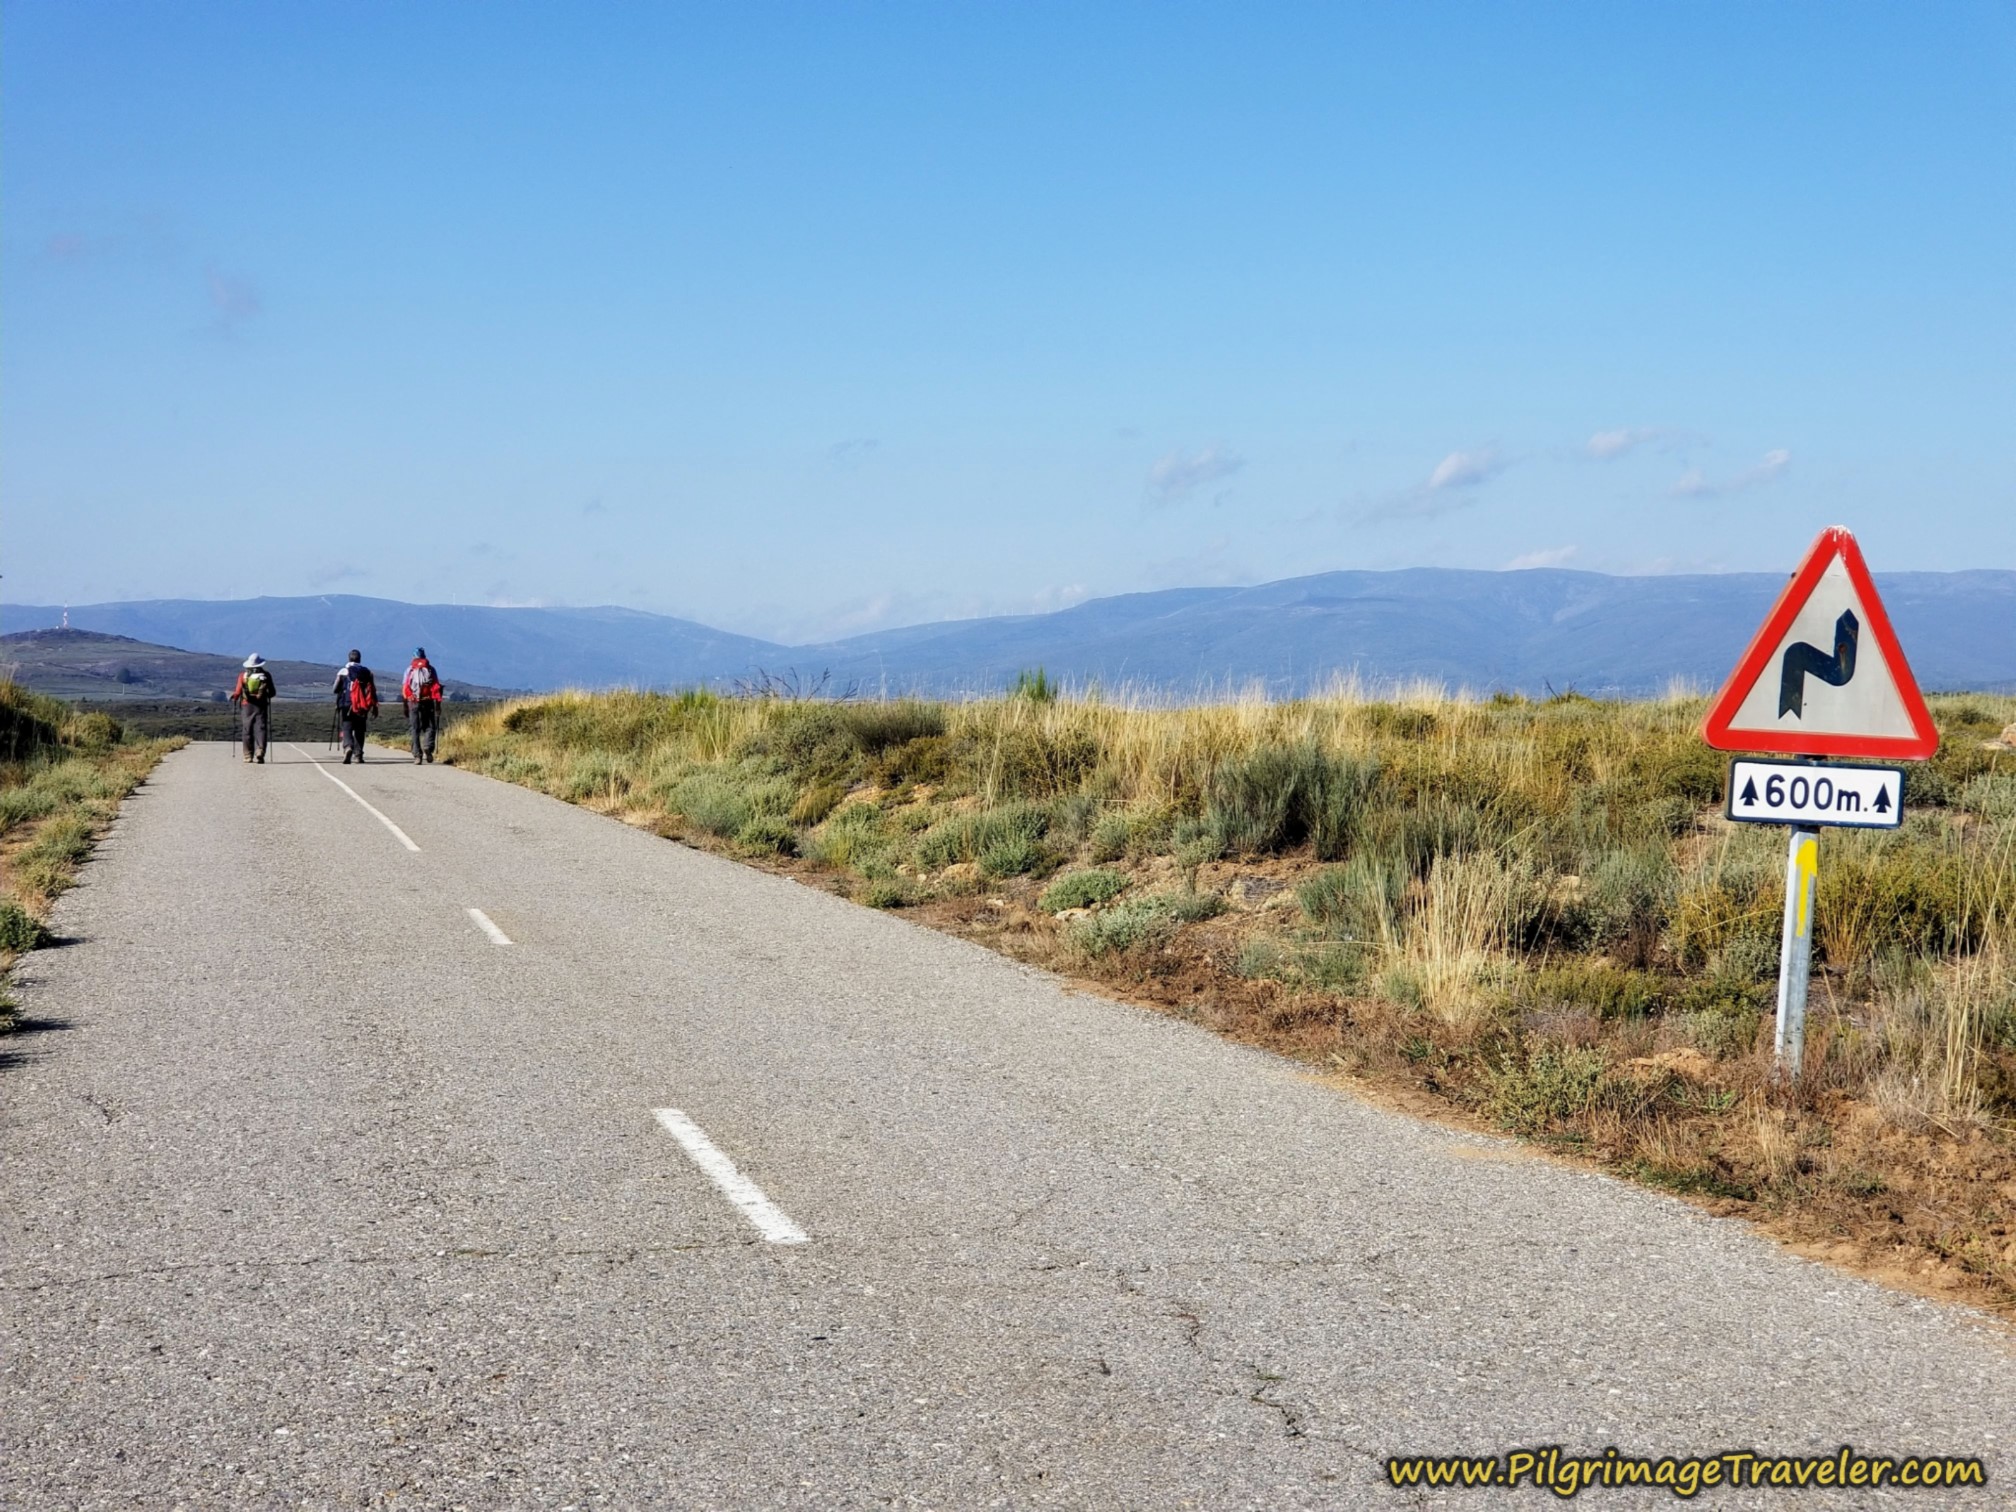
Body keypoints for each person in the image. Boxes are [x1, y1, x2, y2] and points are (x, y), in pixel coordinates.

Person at [331, 650, 379, 763]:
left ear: (349, 658)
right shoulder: (367, 672)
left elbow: (335, 689)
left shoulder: (343, 671)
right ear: (360, 659)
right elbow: (372, 689)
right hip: (362, 705)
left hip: (346, 704)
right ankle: (358, 755)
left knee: (347, 727)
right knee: (360, 729)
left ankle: (348, 747)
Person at [230, 654, 277, 763]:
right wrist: (265, 695)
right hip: (261, 705)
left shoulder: (243, 676)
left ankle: (248, 755)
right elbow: (273, 692)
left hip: (247, 705)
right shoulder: (266, 675)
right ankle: (260, 751)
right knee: (261, 728)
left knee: (247, 729)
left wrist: (235, 697)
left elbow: (237, 692)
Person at [401, 646, 445, 764]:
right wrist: (438, 706)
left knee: (415, 728)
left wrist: (405, 706)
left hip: (413, 702)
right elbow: (436, 688)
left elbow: (405, 689)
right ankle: (428, 747)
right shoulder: (431, 669)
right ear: (425, 657)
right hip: (428, 701)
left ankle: (417, 755)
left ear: (413, 657)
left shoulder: (409, 670)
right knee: (430, 726)